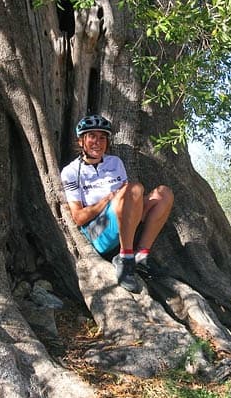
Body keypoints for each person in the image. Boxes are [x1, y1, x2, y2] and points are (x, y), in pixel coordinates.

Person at [61, 114, 174, 293]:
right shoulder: (71, 172)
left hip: (123, 223)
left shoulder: (115, 163)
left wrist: (120, 196)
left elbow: (129, 198)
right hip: (98, 233)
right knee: (134, 189)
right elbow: (78, 218)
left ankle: (140, 256)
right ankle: (125, 259)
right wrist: (107, 199)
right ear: (81, 141)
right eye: (92, 137)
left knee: (163, 194)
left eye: (102, 138)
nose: (98, 142)